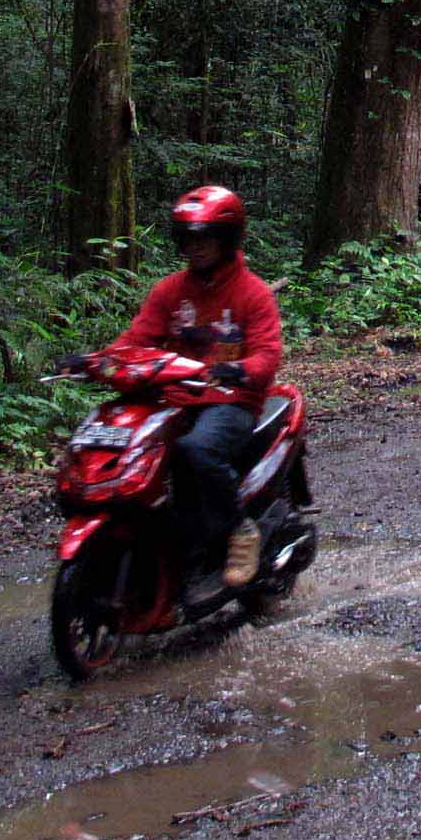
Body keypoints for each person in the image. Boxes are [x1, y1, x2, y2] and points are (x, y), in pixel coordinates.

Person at [98, 186, 286, 587]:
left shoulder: (252, 293)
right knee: (132, 450)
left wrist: (239, 370)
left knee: (197, 449)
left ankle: (240, 530)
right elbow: (137, 338)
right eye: (189, 238)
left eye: (206, 237)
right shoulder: (170, 290)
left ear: (228, 239)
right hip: (177, 397)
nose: (196, 247)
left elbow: (268, 355)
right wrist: (99, 361)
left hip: (232, 402)